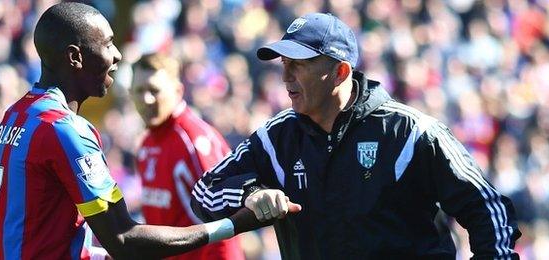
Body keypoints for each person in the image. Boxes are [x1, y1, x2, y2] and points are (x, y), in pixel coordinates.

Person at [190, 12, 521, 259]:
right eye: (283, 64)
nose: (285, 76)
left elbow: (490, 212)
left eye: (299, 65)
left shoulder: (409, 132)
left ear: (340, 72)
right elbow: (205, 193)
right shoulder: (277, 137)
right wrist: (252, 193)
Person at [0, 3, 299, 259]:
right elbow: (124, 239)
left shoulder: (13, 117)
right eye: (106, 44)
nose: (117, 54)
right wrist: (235, 223)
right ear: (75, 57)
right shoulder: (65, 130)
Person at [129, 52, 244, 259]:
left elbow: (225, 222)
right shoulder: (145, 145)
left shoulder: (194, 141)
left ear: (178, 90)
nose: (147, 99)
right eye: (139, 91)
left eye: (155, 90)